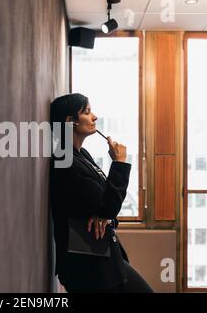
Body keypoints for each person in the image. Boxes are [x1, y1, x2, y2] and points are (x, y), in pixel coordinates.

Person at [49, 93, 153, 293]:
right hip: (87, 265)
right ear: (70, 122)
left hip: (102, 258)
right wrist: (119, 163)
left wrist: (104, 215)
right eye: (87, 112)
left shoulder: (81, 155)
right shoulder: (65, 162)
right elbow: (109, 205)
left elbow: (105, 201)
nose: (94, 117)